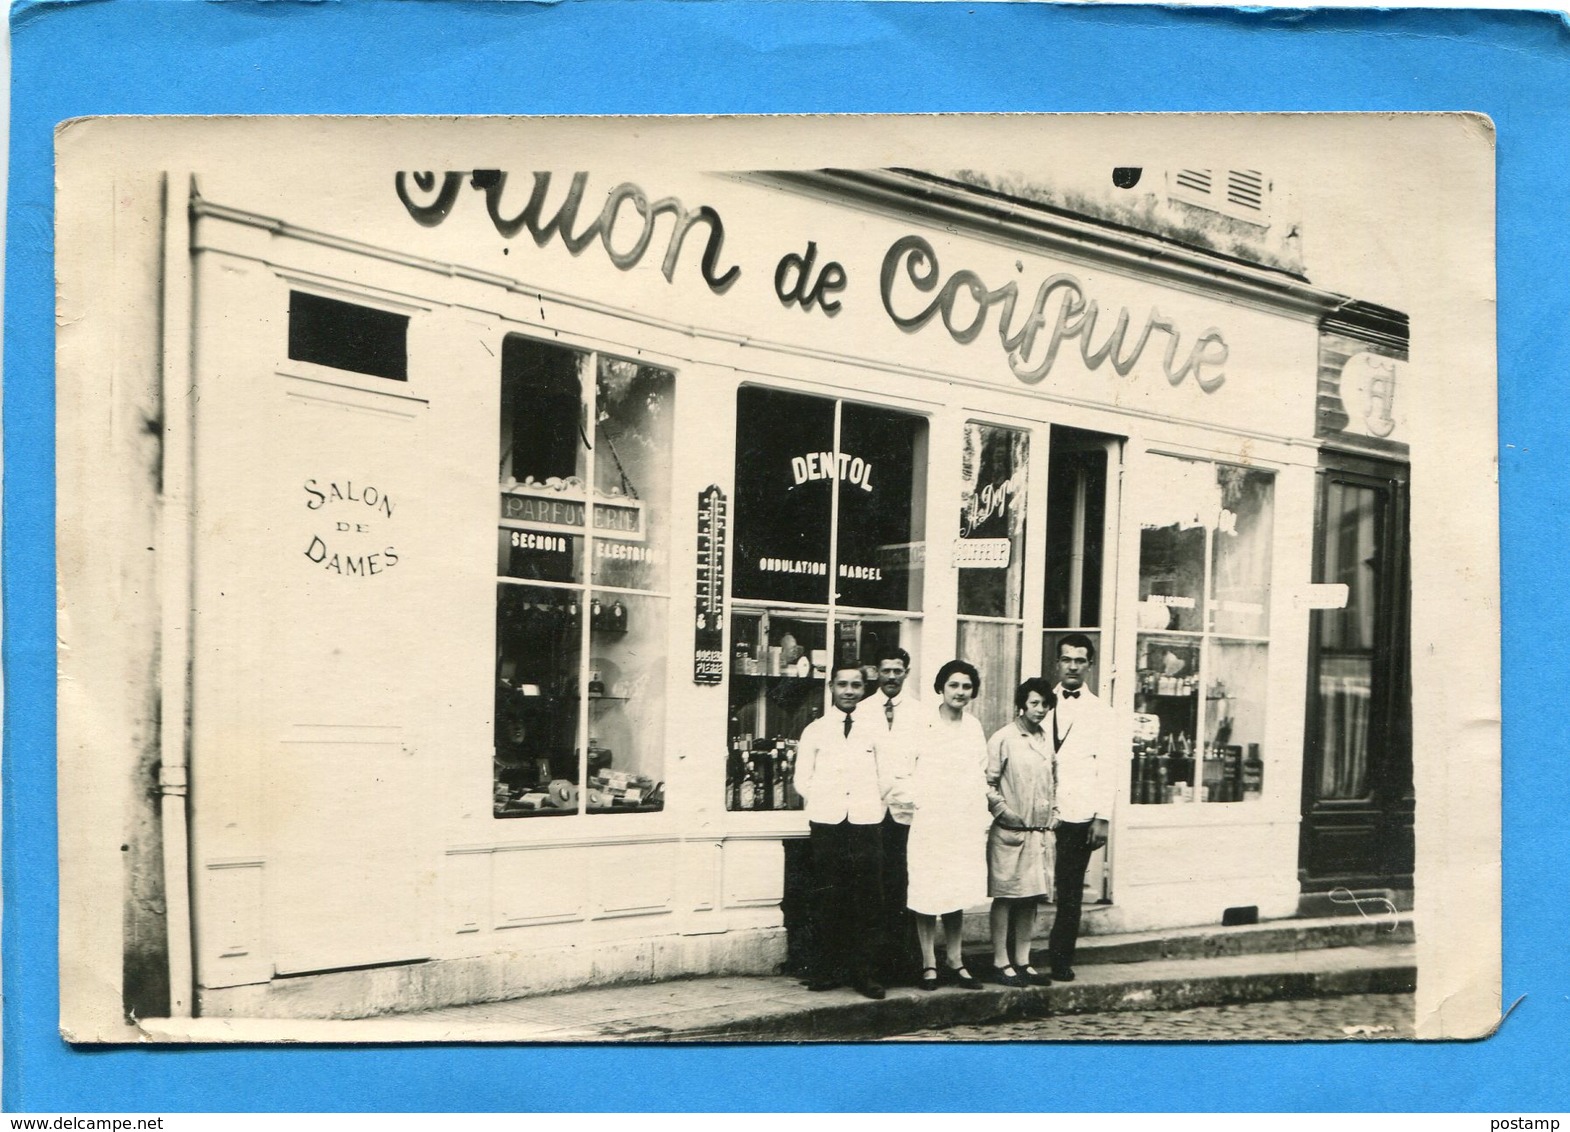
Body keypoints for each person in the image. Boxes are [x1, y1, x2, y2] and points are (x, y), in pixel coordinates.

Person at [792, 664, 888, 1000]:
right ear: (831, 687)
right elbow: (801, 780)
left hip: (865, 823)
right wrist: (828, 800)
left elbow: (887, 776)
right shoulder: (816, 731)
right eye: (842, 684)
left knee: (866, 901)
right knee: (827, 897)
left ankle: (865, 974)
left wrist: (865, 802)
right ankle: (825, 970)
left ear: (864, 689)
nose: (849, 691)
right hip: (827, 823)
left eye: (856, 685)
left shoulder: (875, 731)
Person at [905, 659, 991, 991]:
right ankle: (929, 963)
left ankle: (956, 960)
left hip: (962, 822)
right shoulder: (922, 724)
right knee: (927, 890)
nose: (960, 692)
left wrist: (976, 814)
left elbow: (979, 772)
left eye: (966, 686)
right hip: (930, 821)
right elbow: (905, 769)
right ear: (941, 687)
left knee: (955, 891)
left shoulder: (973, 727)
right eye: (954, 685)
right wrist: (920, 803)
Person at [1046, 633, 1117, 982]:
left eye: (1079, 660)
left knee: (1070, 891)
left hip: (1079, 814)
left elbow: (1109, 767)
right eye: (1066, 659)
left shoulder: (1102, 712)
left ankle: (1060, 958)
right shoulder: (1041, 702)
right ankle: (1017, 958)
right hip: (1042, 814)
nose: (1072, 666)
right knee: (1029, 888)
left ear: (1089, 665)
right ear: (1057, 663)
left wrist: (1102, 817)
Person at [985, 677, 1058, 987]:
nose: (1040, 710)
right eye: (1034, 704)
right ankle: (1000, 961)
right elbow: (987, 783)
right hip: (1010, 832)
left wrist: (1056, 812)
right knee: (1006, 895)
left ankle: (1023, 960)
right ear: (1021, 705)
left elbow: (1054, 779)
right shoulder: (1003, 738)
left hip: (1038, 832)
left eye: (1045, 705)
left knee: (1030, 898)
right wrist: (1005, 812)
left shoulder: (1045, 739)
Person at [870, 647, 922, 985]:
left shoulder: (920, 713)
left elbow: (924, 763)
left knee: (903, 886)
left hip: (906, 814)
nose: (891, 677)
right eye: (885, 670)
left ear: (907, 672)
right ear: (876, 672)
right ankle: (874, 965)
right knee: (873, 888)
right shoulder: (861, 711)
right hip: (869, 813)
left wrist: (906, 793)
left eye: (897, 670)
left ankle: (904, 965)